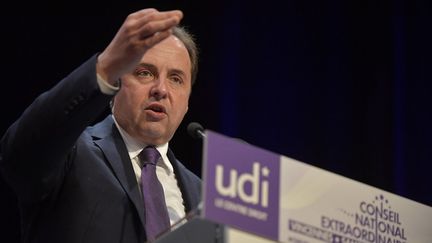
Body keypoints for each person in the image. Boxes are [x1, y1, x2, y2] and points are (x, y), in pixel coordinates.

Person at [0, 8, 201, 243]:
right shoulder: (71, 154)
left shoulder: (202, 194)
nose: (161, 89)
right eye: (145, 73)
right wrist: (105, 66)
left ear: (187, 101)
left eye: (176, 79)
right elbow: (20, 154)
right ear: (115, 85)